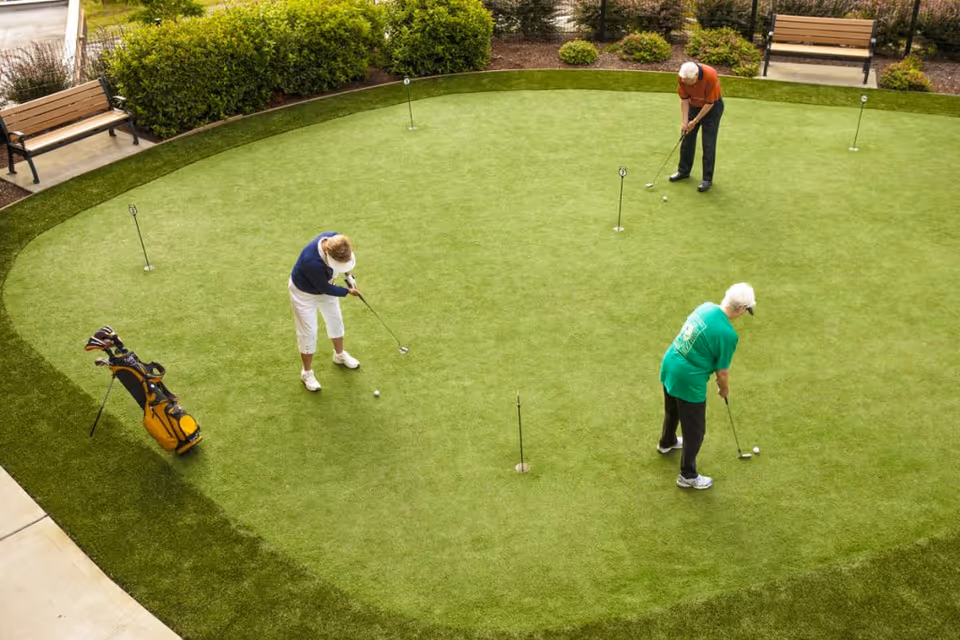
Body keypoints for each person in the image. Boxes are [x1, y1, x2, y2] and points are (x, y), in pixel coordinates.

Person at [657, 283, 755, 490]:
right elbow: (722, 372)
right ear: (740, 309)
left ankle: (666, 442)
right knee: (695, 431)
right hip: (689, 379)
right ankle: (688, 476)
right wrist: (724, 389)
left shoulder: (706, 307)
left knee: (672, 410)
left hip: (671, 362)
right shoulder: (728, 334)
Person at [289, 232, 362, 392]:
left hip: (326, 286)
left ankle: (339, 355)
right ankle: (306, 373)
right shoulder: (312, 262)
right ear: (328, 254)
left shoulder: (336, 239)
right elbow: (325, 288)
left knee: (335, 320)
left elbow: (343, 265)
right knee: (308, 332)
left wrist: (348, 276)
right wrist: (348, 291)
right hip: (304, 294)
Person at [669, 61, 725, 193]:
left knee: (708, 144)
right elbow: (684, 100)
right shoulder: (682, 77)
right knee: (686, 138)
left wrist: (694, 121)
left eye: (689, 81)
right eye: (684, 80)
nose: (686, 83)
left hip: (712, 109)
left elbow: (709, 103)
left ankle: (707, 179)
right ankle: (683, 171)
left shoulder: (710, 75)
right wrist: (685, 122)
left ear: (696, 76)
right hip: (693, 106)